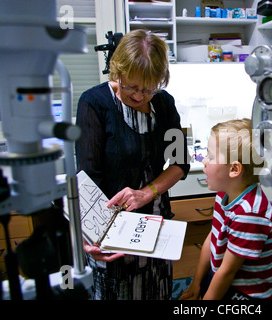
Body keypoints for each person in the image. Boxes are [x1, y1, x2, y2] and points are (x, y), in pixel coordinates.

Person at [75, 29, 190, 300]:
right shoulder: (93, 103)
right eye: (131, 87)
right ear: (118, 72)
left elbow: (180, 162)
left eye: (148, 89)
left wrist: (146, 193)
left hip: (156, 226)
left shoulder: (164, 104)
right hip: (110, 233)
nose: (139, 96)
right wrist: (92, 236)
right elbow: (88, 179)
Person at [180, 118, 272, 300]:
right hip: (225, 275)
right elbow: (212, 237)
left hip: (251, 294)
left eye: (210, 156)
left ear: (234, 169)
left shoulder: (250, 214)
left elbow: (227, 273)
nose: (204, 161)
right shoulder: (224, 193)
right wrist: (196, 281)